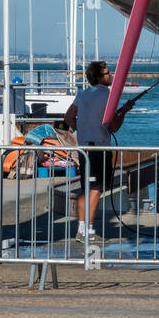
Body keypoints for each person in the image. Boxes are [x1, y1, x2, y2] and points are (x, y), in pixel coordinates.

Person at [64, 61, 125, 240]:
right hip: (99, 148)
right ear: (100, 77)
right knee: (96, 189)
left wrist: (81, 129)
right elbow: (114, 127)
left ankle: (81, 228)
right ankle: (89, 230)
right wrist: (125, 112)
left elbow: (68, 117)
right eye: (107, 72)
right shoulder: (108, 96)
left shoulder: (82, 94)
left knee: (86, 188)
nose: (111, 74)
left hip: (84, 149)